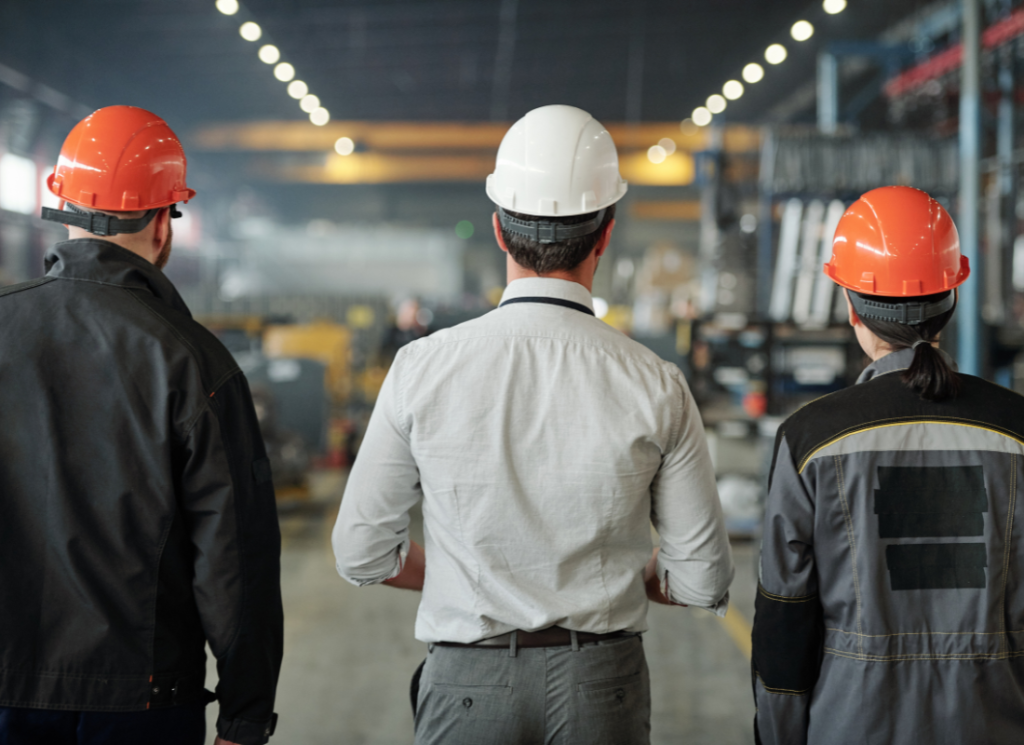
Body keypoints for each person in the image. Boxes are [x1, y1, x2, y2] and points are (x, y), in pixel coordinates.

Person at [333, 104, 734, 745]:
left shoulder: (421, 368)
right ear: (604, 235)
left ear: (498, 230)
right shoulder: (656, 381)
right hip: (602, 683)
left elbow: (361, 553)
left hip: (467, 683)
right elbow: (701, 578)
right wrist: (599, 578)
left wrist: (475, 577)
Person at [0, 106, 283, 745]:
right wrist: (244, 714)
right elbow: (235, 559)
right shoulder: (194, 359)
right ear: (163, 223)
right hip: (141, 700)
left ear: (61, 208)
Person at [751, 185, 1024, 744]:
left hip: (853, 723)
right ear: (950, 299)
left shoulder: (810, 439)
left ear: (851, 307)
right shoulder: (1016, 429)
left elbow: (784, 617)